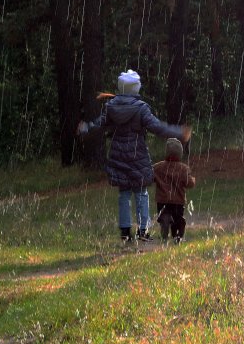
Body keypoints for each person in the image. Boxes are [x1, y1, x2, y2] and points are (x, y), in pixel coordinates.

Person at [77, 70, 191, 244]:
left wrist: (86, 128)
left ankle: (125, 233)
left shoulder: (111, 107)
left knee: (123, 194)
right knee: (141, 193)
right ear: (136, 88)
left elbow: (98, 125)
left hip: (118, 155)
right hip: (137, 154)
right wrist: (178, 133)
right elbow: (157, 127)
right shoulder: (141, 109)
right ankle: (142, 231)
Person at [153, 138, 196, 243]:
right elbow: (189, 183)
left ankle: (165, 220)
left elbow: (150, 177)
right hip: (178, 201)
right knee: (178, 219)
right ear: (180, 154)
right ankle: (177, 235)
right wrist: (193, 180)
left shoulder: (158, 167)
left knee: (164, 213)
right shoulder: (183, 168)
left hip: (162, 200)